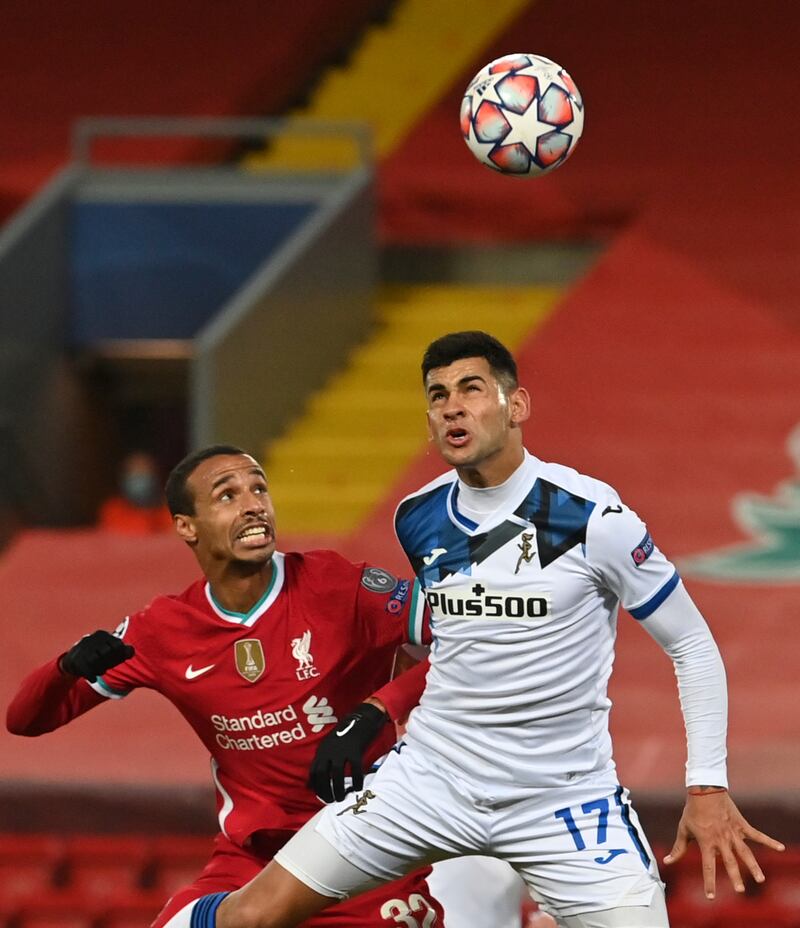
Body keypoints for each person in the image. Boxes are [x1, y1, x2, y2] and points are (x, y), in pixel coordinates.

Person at [183, 331, 785, 928]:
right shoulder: (417, 517)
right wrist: (376, 711)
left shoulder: (592, 518)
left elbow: (692, 646)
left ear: (515, 405)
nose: (452, 406)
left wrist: (706, 785)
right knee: (249, 917)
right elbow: (441, 645)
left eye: (471, 389)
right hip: (430, 781)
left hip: (563, 800)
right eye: (438, 394)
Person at [6, 445, 444, 928]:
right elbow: (25, 721)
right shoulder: (163, 629)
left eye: (259, 487)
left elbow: (472, 643)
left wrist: (379, 709)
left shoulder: (338, 585)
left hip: (365, 854)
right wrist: (65, 668)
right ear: (186, 526)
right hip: (252, 865)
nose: (253, 503)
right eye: (227, 495)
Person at [98, 450, 173, 534]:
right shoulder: (112, 508)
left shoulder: (168, 509)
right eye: (135, 473)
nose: (139, 478)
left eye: (144, 472)